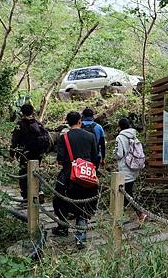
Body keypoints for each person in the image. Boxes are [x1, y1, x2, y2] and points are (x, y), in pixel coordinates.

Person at [53, 111, 101, 249]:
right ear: (80, 121)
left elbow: (60, 159)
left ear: (67, 122)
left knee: (60, 200)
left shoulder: (64, 137)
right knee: (84, 206)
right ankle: (81, 238)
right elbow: (95, 158)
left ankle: (62, 227)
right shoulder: (90, 136)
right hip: (87, 175)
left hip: (69, 176)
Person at [10, 104, 49, 200]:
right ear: (32, 111)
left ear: (22, 113)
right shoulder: (38, 123)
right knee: (35, 172)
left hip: (25, 153)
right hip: (38, 153)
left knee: (23, 173)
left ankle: (26, 196)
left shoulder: (20, 125)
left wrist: (12, 153)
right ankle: (39, 191)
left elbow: (15, 140)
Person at [114, 118, 147, 222]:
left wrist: (113, 154)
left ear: (120, 126)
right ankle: (121, 215)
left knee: (127, 193)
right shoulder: (133, 135)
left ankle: (139, 214)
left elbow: (119, 154)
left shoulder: (120, 137)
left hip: (124, 168)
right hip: (133, 167)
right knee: (127, 192)